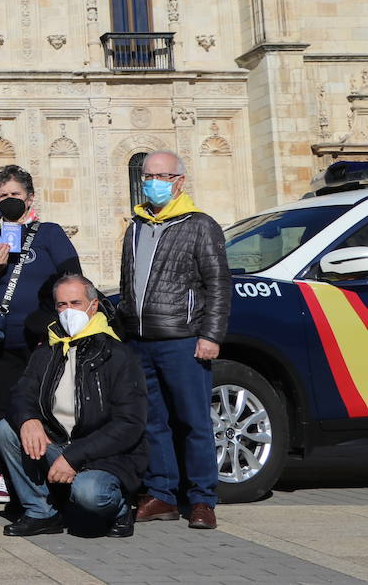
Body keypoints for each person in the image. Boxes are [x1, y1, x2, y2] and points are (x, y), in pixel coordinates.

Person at [117, 151, 230, 531]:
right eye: (148, 175)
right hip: (141, 340)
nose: (153, 182)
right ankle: (161, 494)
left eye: (162, 175)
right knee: (152, 421)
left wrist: (211, 335)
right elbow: (128, 283)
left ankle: (202, 500)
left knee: (194, 421)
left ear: (179, 181)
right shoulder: (136, 225)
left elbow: (218, 284)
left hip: (182, 339)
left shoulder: (200, 225)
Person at [0, 164, 81, 506]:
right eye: (3, 196)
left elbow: (71, 276)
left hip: (42, 342)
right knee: (9, 417)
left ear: (29, 197)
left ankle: (55, 484)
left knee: (47, 414)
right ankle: (21, 492)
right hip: (1, 344)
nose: (9, 200)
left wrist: (49, 316)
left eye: (15, 194)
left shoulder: (49, 232)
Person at [0, 275, 147, 538]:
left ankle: (120, 508)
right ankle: (41, 512)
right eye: (61, 305)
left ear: (94, 305)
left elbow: (129, 423)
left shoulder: (118, 355)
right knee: (6, 430)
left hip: (103, 454)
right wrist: (29, 419)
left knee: (91, 494)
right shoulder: (48, 349)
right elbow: (21, 393)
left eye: (76, 303)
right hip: (57, 443)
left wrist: (74, 457)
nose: (68, 311)